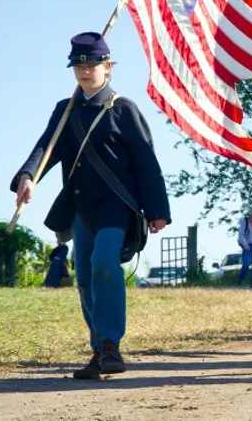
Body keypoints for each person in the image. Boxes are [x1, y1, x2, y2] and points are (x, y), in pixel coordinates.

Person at [12, 32, 170, 380]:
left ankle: (112, 344)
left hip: (117, 205)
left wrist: (157, 209)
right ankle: (99, 349)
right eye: (79, 65)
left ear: (107, 67)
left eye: (92, 64)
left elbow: (146, 161)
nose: (85, 71)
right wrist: (28, 176)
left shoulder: (123, 109)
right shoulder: (65, 110)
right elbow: (46, 149)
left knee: (103, 264)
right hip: (82, 207)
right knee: (83, 276)